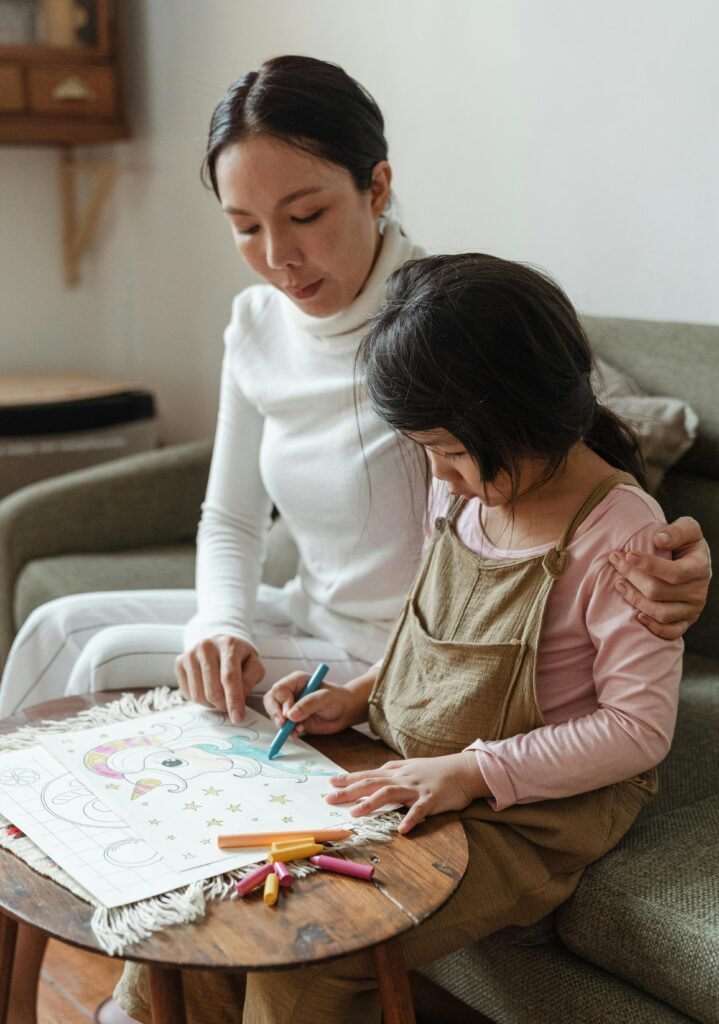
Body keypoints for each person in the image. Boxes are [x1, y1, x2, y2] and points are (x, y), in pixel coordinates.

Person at [0, 57, 709, 1024]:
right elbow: (269, 531)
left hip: (478, 752)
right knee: (61, 637)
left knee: (289, 937)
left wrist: (679, 555)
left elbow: (591, 481)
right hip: (380, 677)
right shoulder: (439, 464)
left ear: (376, 186)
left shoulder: (452, 339)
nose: (279, 257)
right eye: (244, 227)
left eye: (304, 216)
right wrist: (332, 676)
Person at [250, 251, 684, 1022]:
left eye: (450, 452)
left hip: (536, 813)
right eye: (426, 452)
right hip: (424, 765)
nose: (440, 476)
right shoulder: (463, 496)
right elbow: (431, 635)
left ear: (525, 415)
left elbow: (637, 730)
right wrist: (356, 694)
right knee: (228, 897)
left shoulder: (619, 534)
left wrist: (467, 772)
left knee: (310, 950)